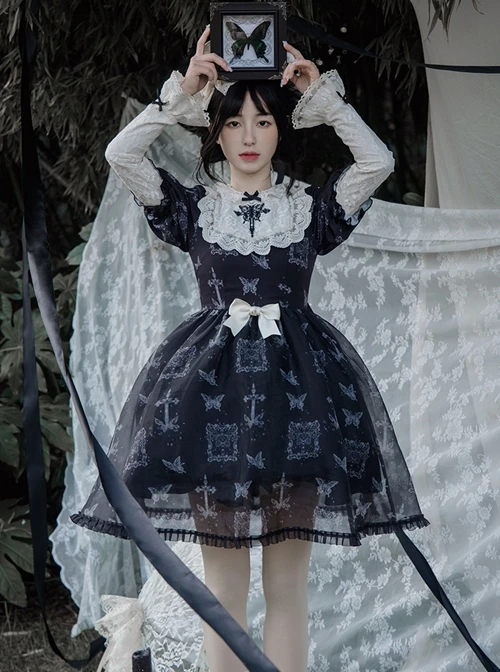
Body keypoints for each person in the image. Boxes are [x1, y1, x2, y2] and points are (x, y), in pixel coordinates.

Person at [71, 27, 429, 672]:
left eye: (263, 121)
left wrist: (325, 99)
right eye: (234, 122)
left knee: (287, 588)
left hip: (300, 407)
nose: (249, 135)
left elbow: (376, 163)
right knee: (223, 589)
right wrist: (180, 95)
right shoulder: (192, 209)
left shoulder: (311, 210)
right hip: (211, 407)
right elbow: (120, 155)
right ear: (216, 134)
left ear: (279, 131)